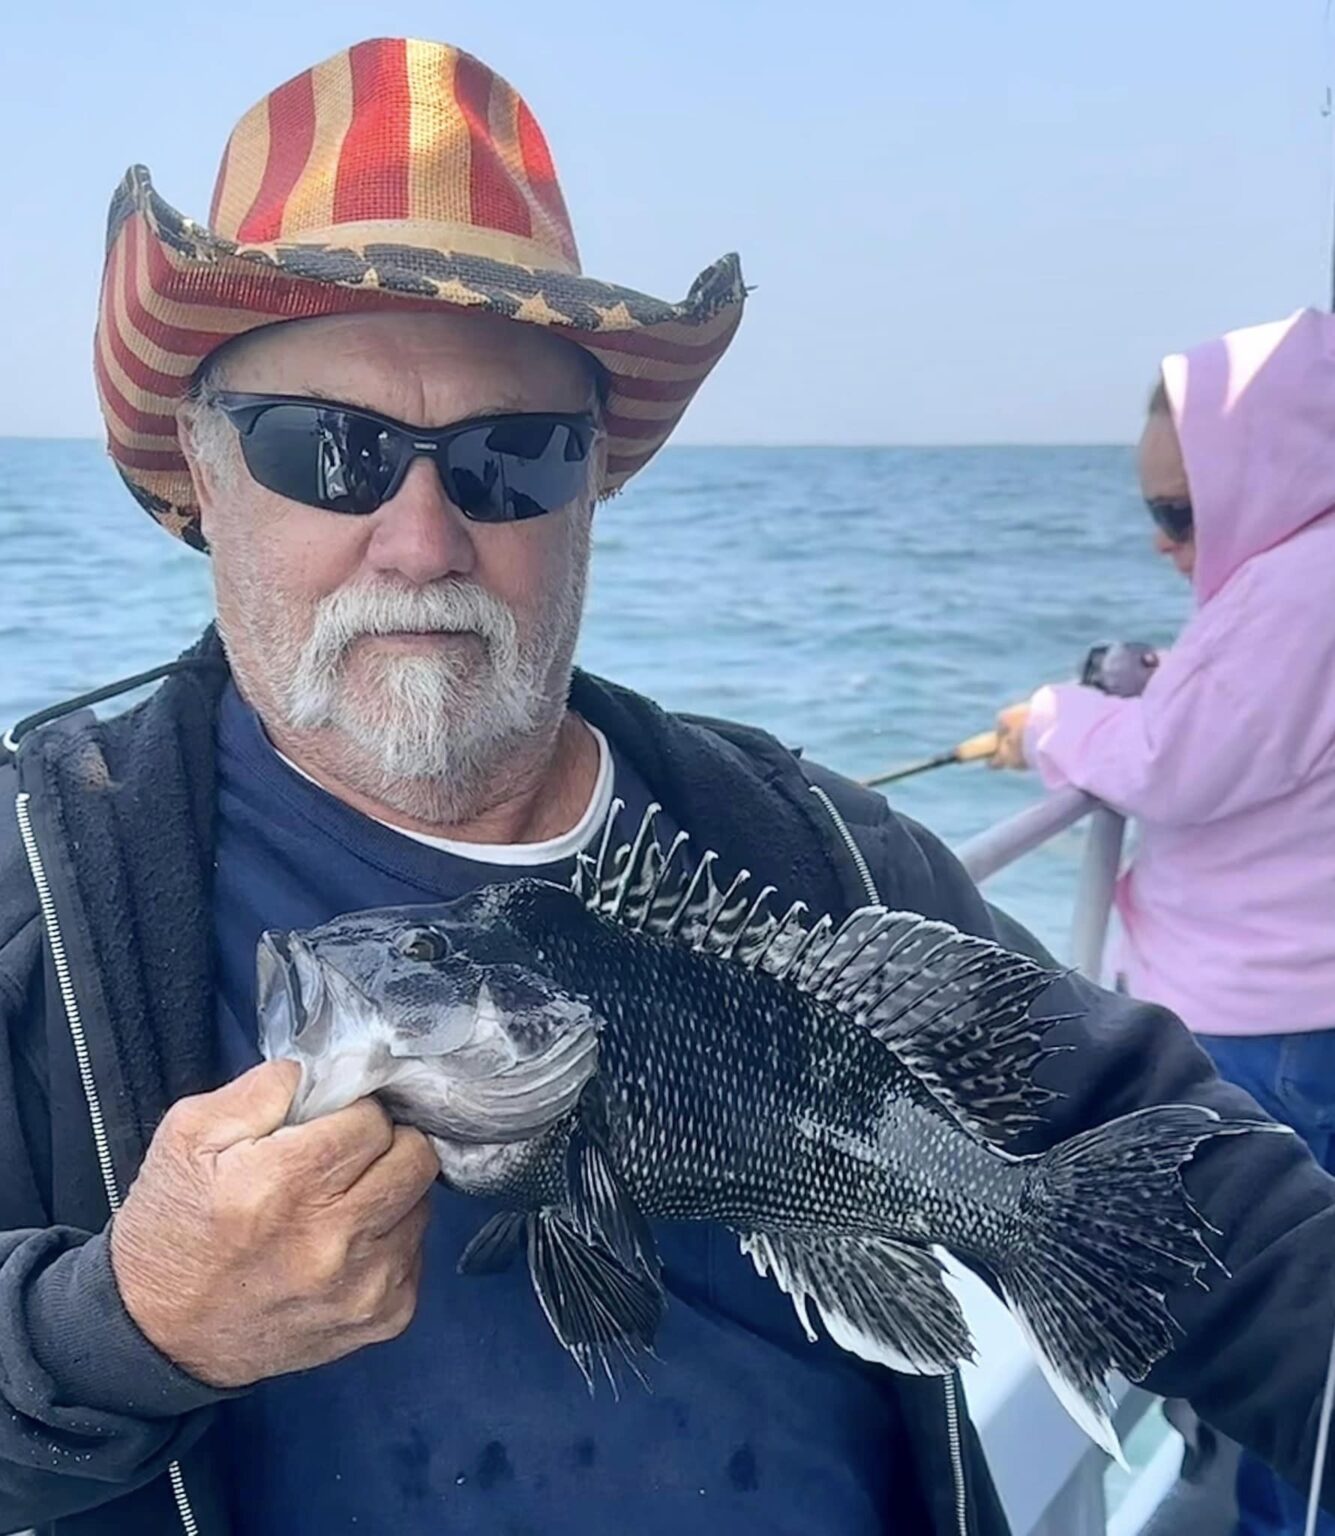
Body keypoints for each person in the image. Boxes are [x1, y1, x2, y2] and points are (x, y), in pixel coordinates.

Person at [1, 38, 1332, 1536]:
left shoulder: (817, 852)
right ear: (200, 466)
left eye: (511, 454)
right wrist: (127, 1325)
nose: (423, 540)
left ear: (592, 487)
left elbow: (1226, 1228)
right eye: (327, 448)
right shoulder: (37, 901)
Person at [993, 311, 1335, 1535]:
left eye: (1184, 513)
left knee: (1288, 1350)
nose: (1164, 540)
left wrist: (1053, 720)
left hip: (1274, 1030)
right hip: (1299, 1013)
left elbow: (1174, 766)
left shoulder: (1301, 587)